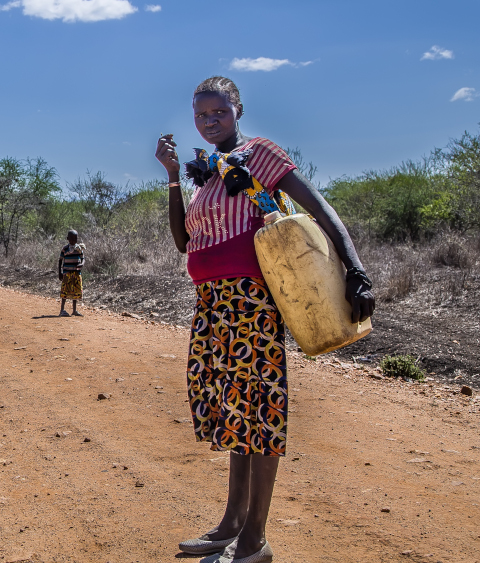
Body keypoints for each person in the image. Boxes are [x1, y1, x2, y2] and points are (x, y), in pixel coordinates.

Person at [154, 76, 374, 563]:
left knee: (260, 409)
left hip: (251, 303)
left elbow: (318, 206)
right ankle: (231, 523)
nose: (210, 121)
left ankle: (255, 538)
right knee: (235, 411)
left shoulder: (259, 153)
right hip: (212, 304)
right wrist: (172, 175)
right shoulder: (207, 172)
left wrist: (356, 270)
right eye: (201, 115)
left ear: (238, 111)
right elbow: (183, 243)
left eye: (219, 113)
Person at [58, 229, 85, 317]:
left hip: (76, 273)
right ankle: (62, 310)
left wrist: (82, 264)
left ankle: (74, 310)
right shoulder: (65, 249)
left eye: (75, 239)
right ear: (67, 238)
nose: (73, 241)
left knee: (76, 291)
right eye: (72, 239)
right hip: (67, 273)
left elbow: (83, 258)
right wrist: (60, 272)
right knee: (65, 290)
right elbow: (60, 260)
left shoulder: (79, 248)